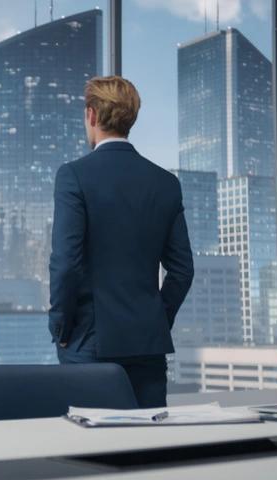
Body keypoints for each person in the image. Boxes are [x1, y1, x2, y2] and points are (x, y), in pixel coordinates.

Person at [49, 76, 194, 409]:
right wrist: (155, 317)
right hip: (148, 343)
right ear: (131, 118)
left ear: (91, 116)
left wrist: (60, 326)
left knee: (93, 451)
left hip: (88, 342)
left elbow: (66, 264)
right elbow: (183, 271)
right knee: (148, 450)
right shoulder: (166, 183)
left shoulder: (73, 175)